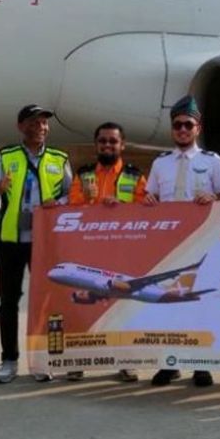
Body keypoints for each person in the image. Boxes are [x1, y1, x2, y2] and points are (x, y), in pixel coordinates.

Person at [0, 104, 72, 385]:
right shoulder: (7, 156)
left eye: (44, 123)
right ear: (21, 126)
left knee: (46, 303)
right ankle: (8, 359)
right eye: (34, 123)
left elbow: (72, 197)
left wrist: (56, 203)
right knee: (9, 301)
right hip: (11, 238)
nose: (41, 128)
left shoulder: (59, 158)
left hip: (44, 242)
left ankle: (42, 359)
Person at [143, 95, 220, 388]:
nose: (182, 130)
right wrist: (148, 200)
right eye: (177, 125)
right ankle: (170, 363)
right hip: (167, 246)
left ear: (198, 128)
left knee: (199, 304)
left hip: (201, 243)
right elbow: (149, 197)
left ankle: (201, 365)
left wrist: (214, 197)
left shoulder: (212, 161)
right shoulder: (160, 164)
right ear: (172, 129)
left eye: (188, 125)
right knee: (167, 305)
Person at [67, 121, 148, 382]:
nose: (107, 145)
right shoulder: (83, 174)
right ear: (96, 145)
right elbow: (71, 208)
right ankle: (78, 360)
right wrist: (93, 202)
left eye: (113, 141)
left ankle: (126, 362)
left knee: (123, 309)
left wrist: (119, 208)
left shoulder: (136, 176)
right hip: (89, 252)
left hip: (123, 253)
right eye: (103, 141)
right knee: (84, 307)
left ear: (122, 145)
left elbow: (144, 209)